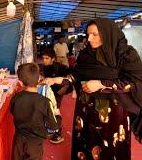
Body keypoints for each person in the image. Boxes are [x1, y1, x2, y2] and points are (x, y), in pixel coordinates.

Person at [43, 19, 142, 160]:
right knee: (86, 145)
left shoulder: (125, 55)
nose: (89, 39)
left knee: (109, 147)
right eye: (88, 34)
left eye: (94, 34)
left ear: (107, 34)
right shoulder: (85, 54)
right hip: (86, 111)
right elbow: (75, 77)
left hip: (113, 113)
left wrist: (102, 84)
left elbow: (133, 83)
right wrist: (55, 80)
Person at [11, 63, 60, 160]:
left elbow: (12, 111)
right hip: (35, 143)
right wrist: (58, 115)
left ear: (20, 83)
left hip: (18, 140)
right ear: (38, 80)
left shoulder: (15, 98)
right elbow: (53, 126)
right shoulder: (45, 102)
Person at [41, 49, 72, 144]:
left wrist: (64, 88)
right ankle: (50, 129)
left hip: (58, 93)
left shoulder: (61, 67)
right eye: (43, 58)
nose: (44, 60)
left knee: (55, 111)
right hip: (49, 92)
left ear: (53, 59)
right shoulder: (44, 67)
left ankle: (58, 134)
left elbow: (69, 80)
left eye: (47, 58)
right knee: (48, 111)